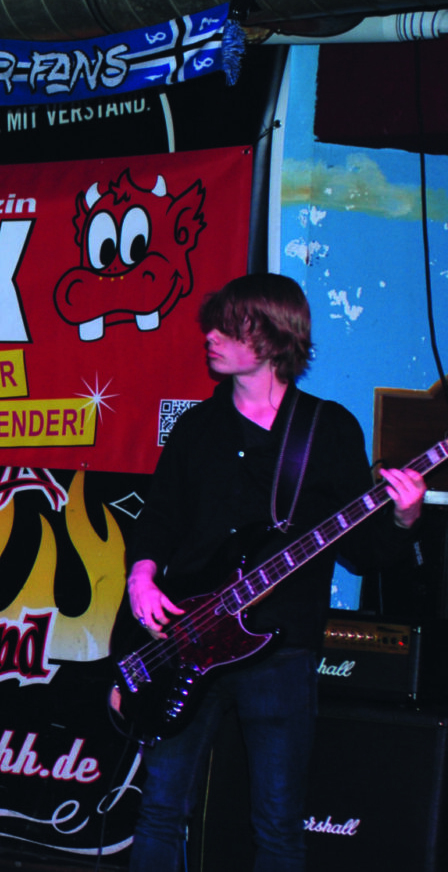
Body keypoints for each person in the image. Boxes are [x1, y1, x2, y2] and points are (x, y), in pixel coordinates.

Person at [123, 273, 424, 872]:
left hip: (280, 652)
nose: (209, 336)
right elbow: (159, 520)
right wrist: (141, 578)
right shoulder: (197, 428)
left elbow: (362, 552)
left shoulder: (327, 428)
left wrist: (404, 516)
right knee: (159, 810)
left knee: (278, 827)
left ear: (272, 335)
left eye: (227, 326)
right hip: (184, 638)